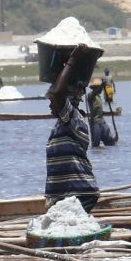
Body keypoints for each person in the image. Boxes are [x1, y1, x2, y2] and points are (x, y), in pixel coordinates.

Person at [45, 45, 99, 211]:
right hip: (64, 197)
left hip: (78, 195)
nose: (50, 102)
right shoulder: (61, 124)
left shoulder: (74, 118)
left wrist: (72, 60)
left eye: (52, 100)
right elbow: (57, 94)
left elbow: (58, 94)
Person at [85, 79, 116, 148]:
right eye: (100, 88)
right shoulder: (91, 95)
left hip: (102, 121)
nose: (101, 90)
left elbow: (98, 109)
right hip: (95, 122)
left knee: (111, 143)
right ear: (95, 88)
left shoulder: (98, 97)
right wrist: (101, 85)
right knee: (96, 144)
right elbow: (93, 94)